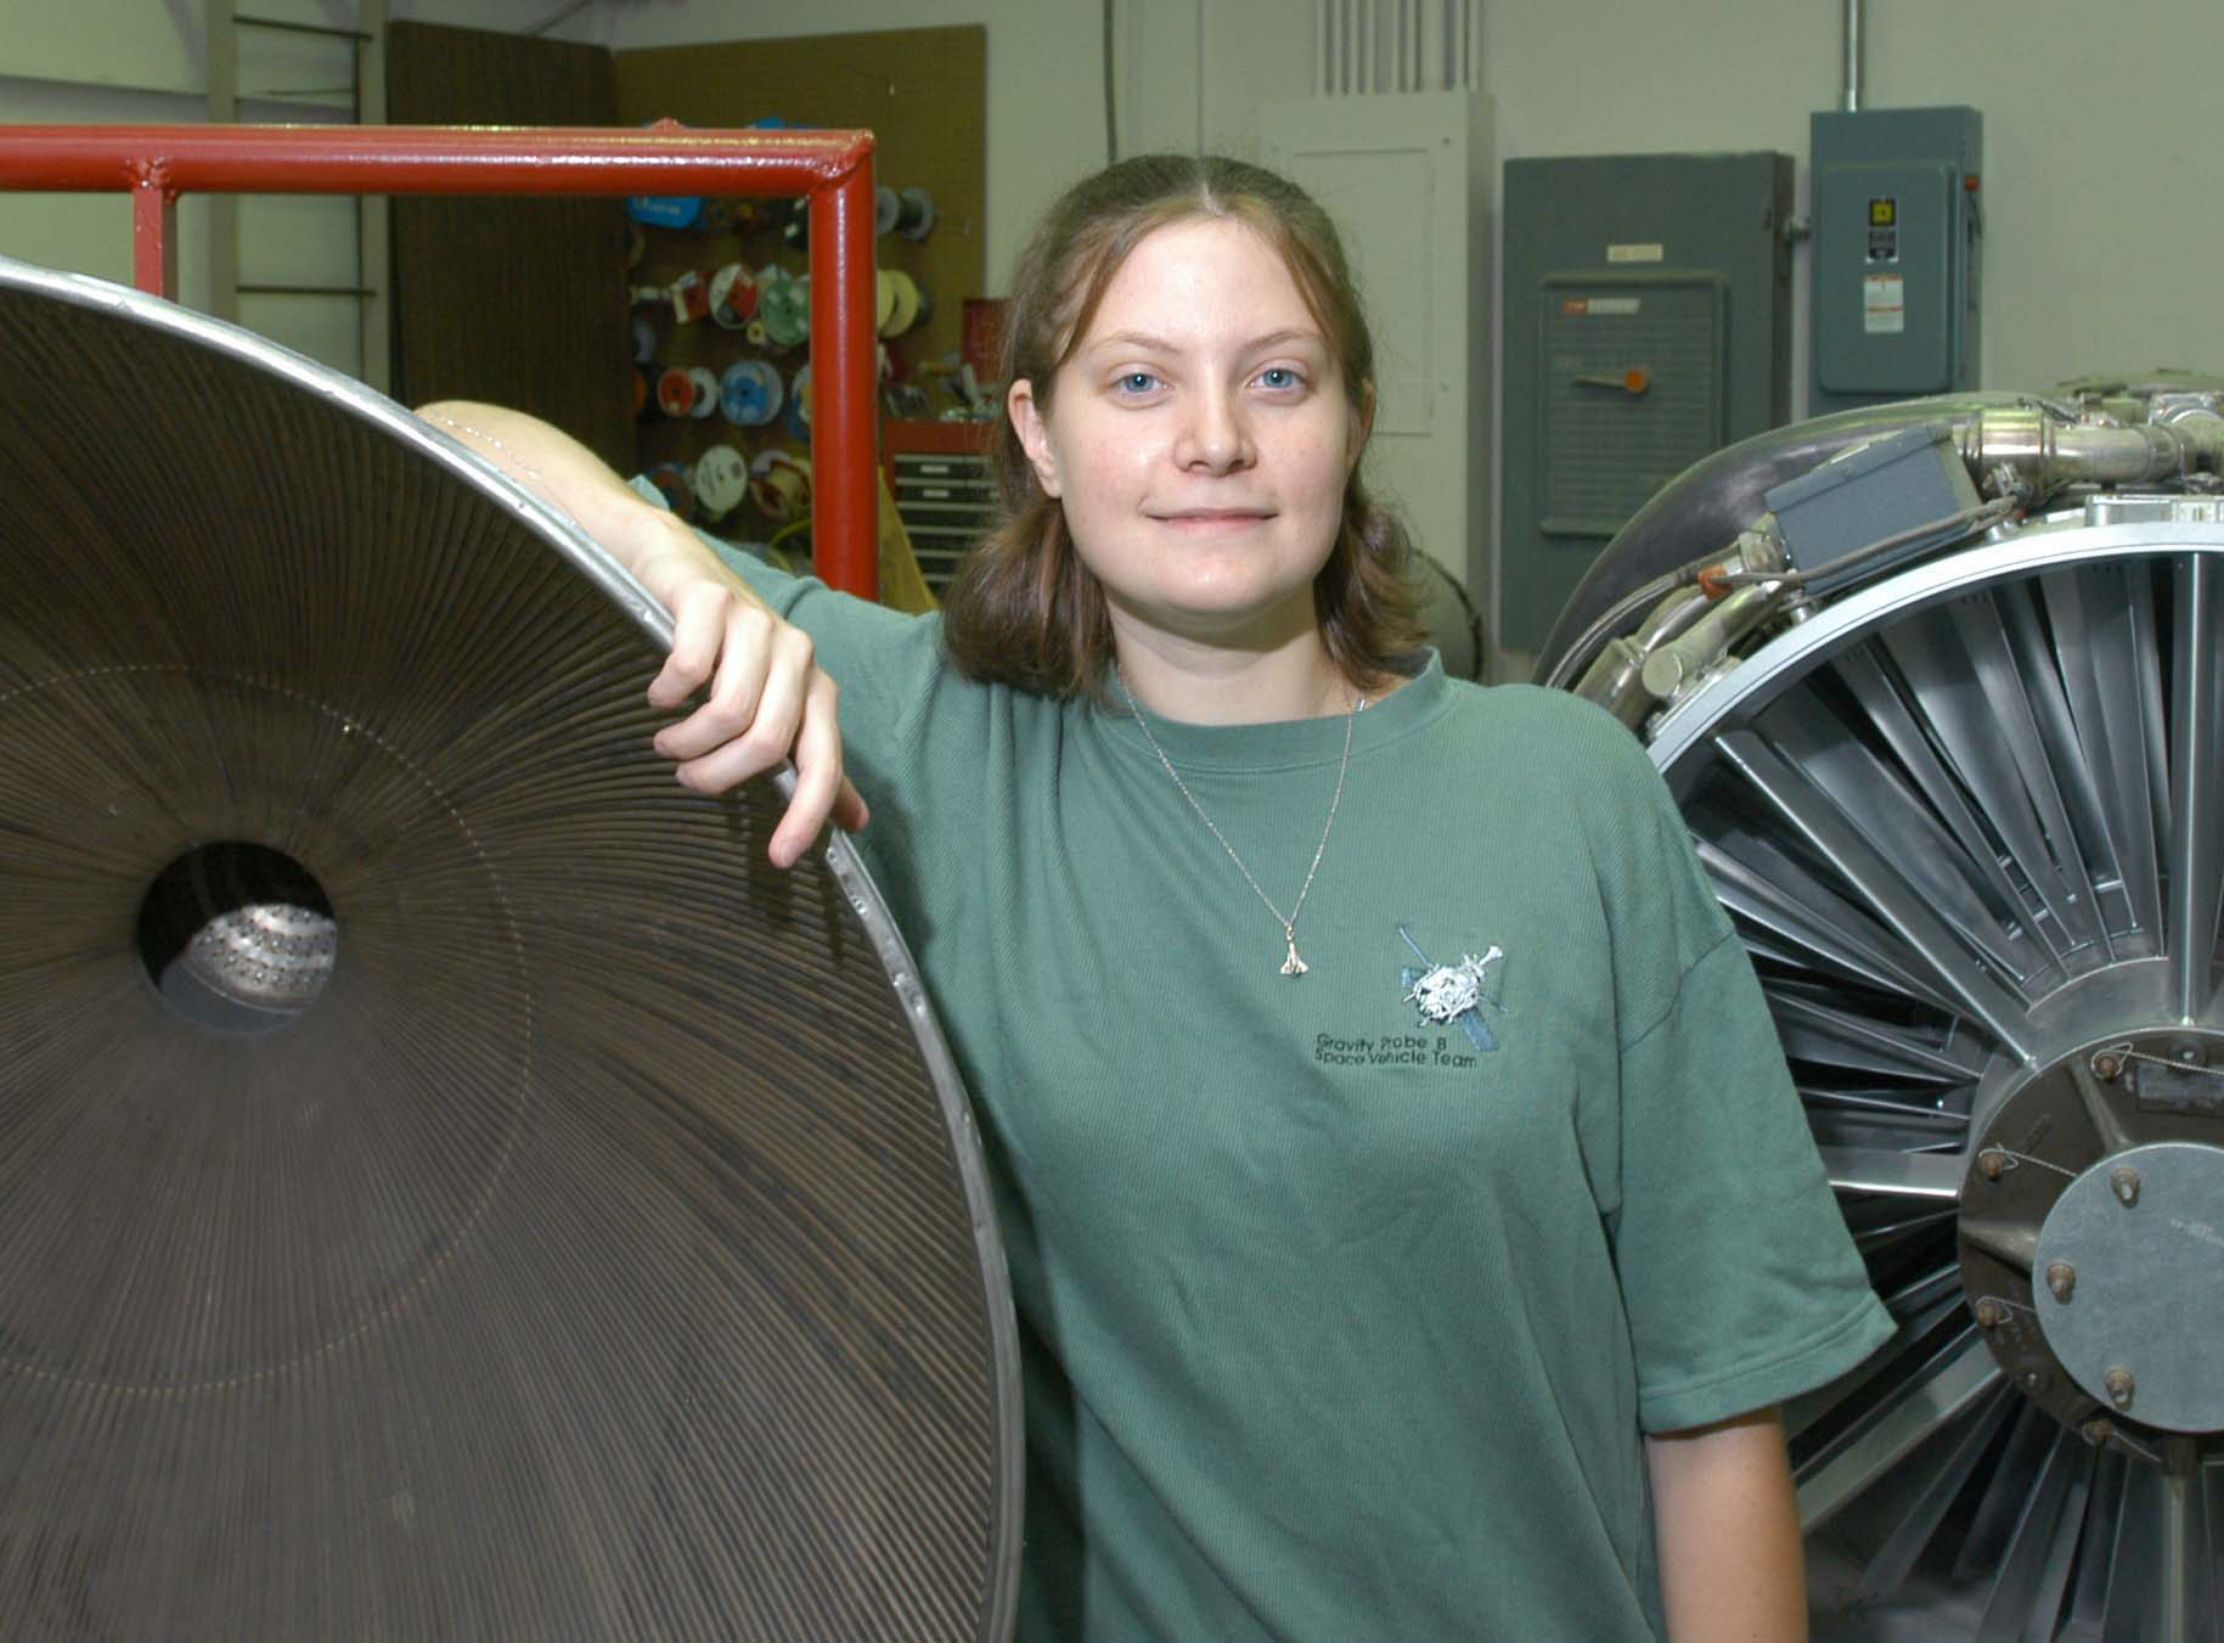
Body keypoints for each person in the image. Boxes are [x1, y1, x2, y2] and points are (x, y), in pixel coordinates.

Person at [422, 153, 1890, 1643]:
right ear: (1037, 438)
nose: (1212, 442)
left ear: (1354, 420)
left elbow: (1711, 1413)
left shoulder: (1564, 793)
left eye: (1276, 378)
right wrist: (687, 574)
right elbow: (444, 445)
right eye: (1136, 383)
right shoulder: (923, 740)